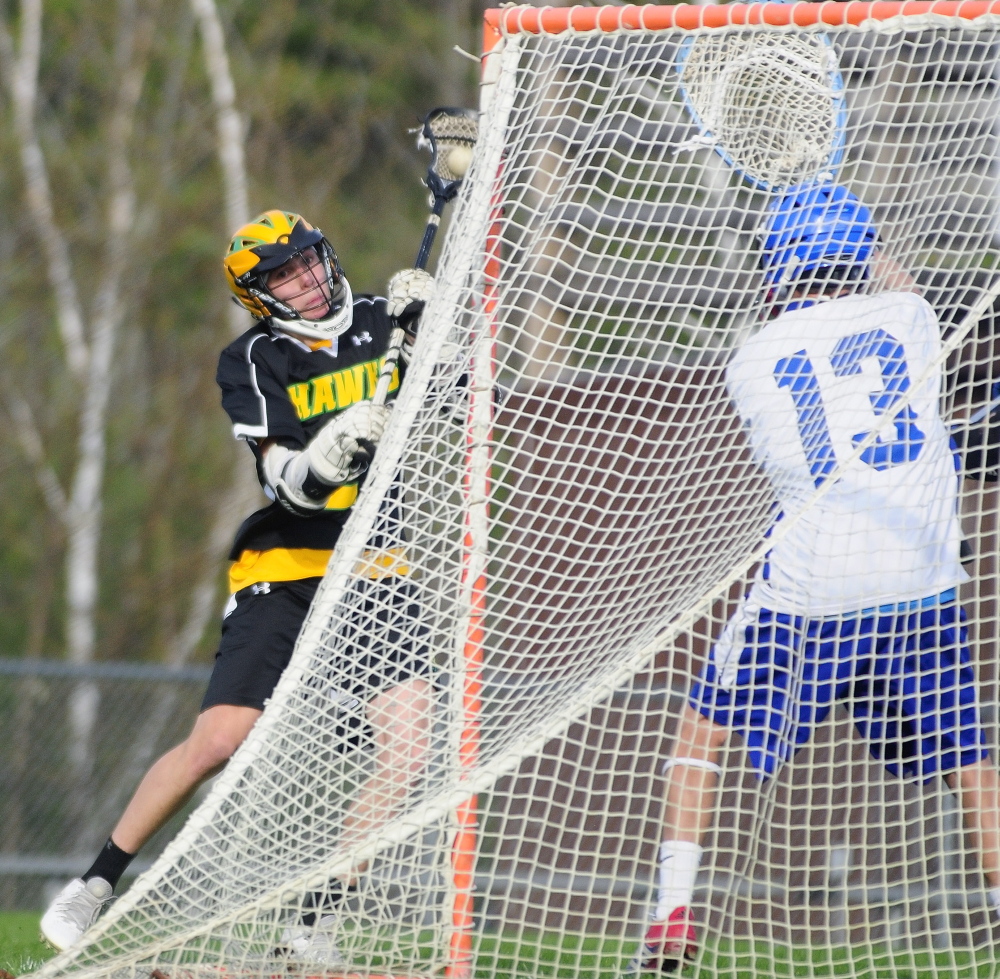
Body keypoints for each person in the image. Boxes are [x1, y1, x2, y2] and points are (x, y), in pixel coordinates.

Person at [40, 210, 437, 964]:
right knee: (221, 739)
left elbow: (458, 394)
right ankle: (97, 880)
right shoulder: (252, 360)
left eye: (310, 261)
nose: (309, 280)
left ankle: (314, 922)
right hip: (286, 568)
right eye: (284, 275)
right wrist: (331, 455)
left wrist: (432, 324)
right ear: (259, 297)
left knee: (409, 746)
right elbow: (284, 484)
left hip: (380, 569)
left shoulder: (388, 322)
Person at [630, 183, 1000, 973]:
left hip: (816, 585)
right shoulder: (911, 316)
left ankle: (671, 922)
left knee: (702, 733)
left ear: (781, 266)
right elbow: (894, 281)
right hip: (920, 576)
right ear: (856, 256)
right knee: (972, 758)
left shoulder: (753, 358)